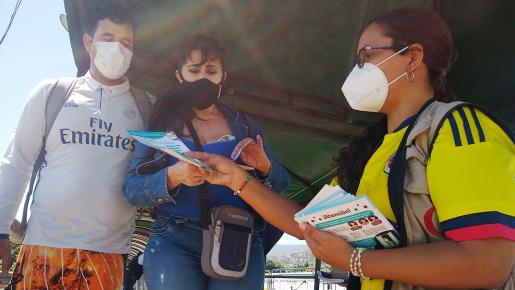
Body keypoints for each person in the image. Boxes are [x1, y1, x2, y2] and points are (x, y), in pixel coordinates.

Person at [187, 7, 514, 290]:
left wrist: (358, 261)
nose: (358, 71)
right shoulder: (373, 149)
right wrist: (235, 180)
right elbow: (305, 223)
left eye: (367, 56)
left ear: (413, 58)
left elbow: (487, 262)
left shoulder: (457, 129)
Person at [0, 2, 153, 289]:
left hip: (108, 256)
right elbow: (16, 161)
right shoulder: (52, 92)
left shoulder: (147, 107)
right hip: (44, 247)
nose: (117, 49)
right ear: (89, 43)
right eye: (108, 39)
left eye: (126, 42)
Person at [123, 34, 290, 290]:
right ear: (179, 75)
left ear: (223, 77)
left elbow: (281, 186)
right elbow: (132, 188)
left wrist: (266, 167)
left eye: (211, 70)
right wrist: (173, 176)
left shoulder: (246, 126)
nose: (202, 77)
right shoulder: (160, 124)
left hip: (238, 237)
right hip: (173, 238)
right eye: (193, 70)